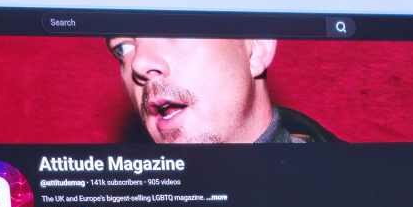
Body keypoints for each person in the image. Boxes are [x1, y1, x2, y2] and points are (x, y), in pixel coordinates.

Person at [104, 36, 337, 144]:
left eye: (173, 26)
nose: (139, 63)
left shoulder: (362, 198)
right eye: (123, 48)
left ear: (256, 49)